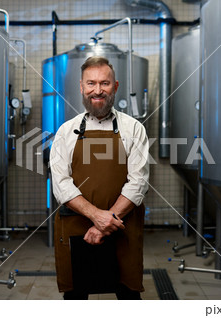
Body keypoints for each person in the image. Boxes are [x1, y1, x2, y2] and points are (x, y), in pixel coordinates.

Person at [50, 56, 149, 300]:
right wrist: (97, 217)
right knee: (76, 296)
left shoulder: (133, 128)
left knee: (128, 295)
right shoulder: (65, 131)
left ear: (115, 87)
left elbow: (138, 182)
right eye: (91, 83)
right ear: (81, 87)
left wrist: (107, 222)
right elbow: (61, 184)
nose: (98, 90)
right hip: (77, 228)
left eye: (104, 83)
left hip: (122, 227)